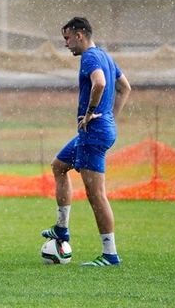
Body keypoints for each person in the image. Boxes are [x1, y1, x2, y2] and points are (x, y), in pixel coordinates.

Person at [41, 17, 131, 267]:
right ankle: (61, 229)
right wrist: (110, 116)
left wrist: (92, 111)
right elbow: (125, 87)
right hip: (96, 131)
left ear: (80, 35)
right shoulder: (105, 56)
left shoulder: (90, 57)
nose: (66, 44)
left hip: (94, 133)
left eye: (68, 38)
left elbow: (100, 82)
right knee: (59, 165)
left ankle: (110, 254)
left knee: (96, 195)